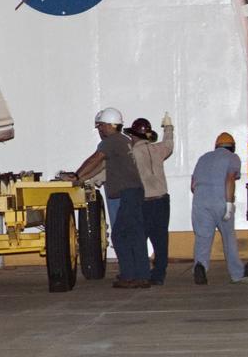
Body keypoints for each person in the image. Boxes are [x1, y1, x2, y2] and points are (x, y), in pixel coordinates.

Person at [73, 107, 150, 288]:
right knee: (136, 234)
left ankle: (129, 276)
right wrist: (82, 179)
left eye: (100, 126)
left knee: (120, 234)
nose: (99, 130)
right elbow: (102, 167)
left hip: (127, 193)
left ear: (108, 125)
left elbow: (96, 159)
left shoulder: (111, 141)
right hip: (137, 191)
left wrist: (75, 177)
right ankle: (143, 275)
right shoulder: (124, 140)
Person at [191, 132, 244, 285]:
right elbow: (230, 179)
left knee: (202, 237)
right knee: (228, 238)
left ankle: (200, 266)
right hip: (221, 199)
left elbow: (193, 185)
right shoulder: (232, 158)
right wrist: (228, 204)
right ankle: (237, 274)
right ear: (232, 147)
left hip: (200, 200)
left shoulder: (203, 158)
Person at [127, 114, 173, 285]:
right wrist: (168, 128)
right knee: (161, 239)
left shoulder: (132, 152)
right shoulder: (158, 149)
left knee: (140, 237)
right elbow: (169, 143)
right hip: (162, 200)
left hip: (144, 201)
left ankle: (141, 272)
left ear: (133, 135)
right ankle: (159, 275)